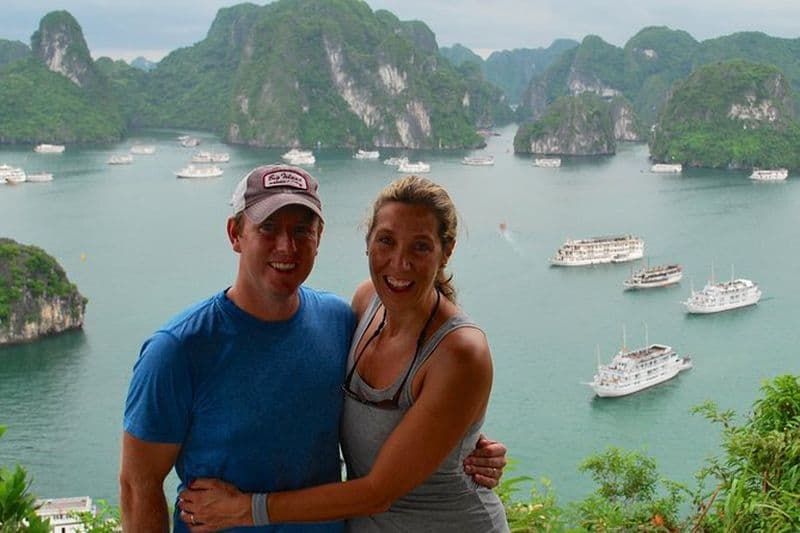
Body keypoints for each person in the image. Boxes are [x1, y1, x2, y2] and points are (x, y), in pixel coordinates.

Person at [119, 165, 507, 532]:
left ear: (319, 238)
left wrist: (464, 443)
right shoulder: (178, 349)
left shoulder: (336, 320)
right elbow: (139, 485)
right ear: (235, 234)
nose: (286, 246)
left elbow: (397, 459)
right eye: (268, 228)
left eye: (302, 230)